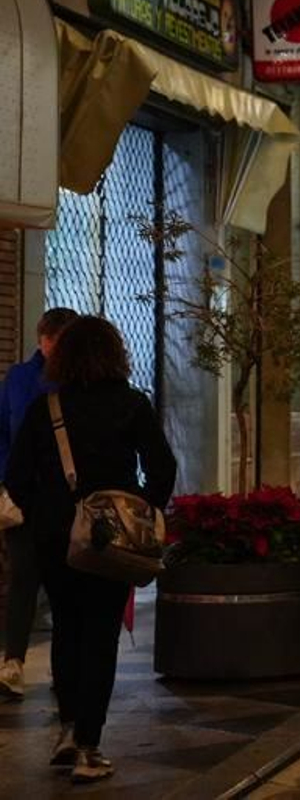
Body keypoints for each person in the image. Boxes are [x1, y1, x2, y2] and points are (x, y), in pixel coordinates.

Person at [3, 316, 176, 782]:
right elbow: (163, 467)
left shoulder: (46, 408)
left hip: (56, 539)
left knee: (67, 629)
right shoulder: (131, 404)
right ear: (115, 354)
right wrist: (142, 511)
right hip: (110, 538)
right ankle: (89, 746)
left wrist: (47, 513)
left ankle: (67, 728)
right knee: (100, 635)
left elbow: (15, 477)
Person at [0, 307, 78, 700]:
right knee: (23, 577)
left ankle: (64, 666)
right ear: (42, 340)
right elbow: (3, 432)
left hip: (66, 501)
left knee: (65, 581)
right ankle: (12, 661)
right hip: (23, 498)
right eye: (54, 342)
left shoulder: (82, 383)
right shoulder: (20, 379)